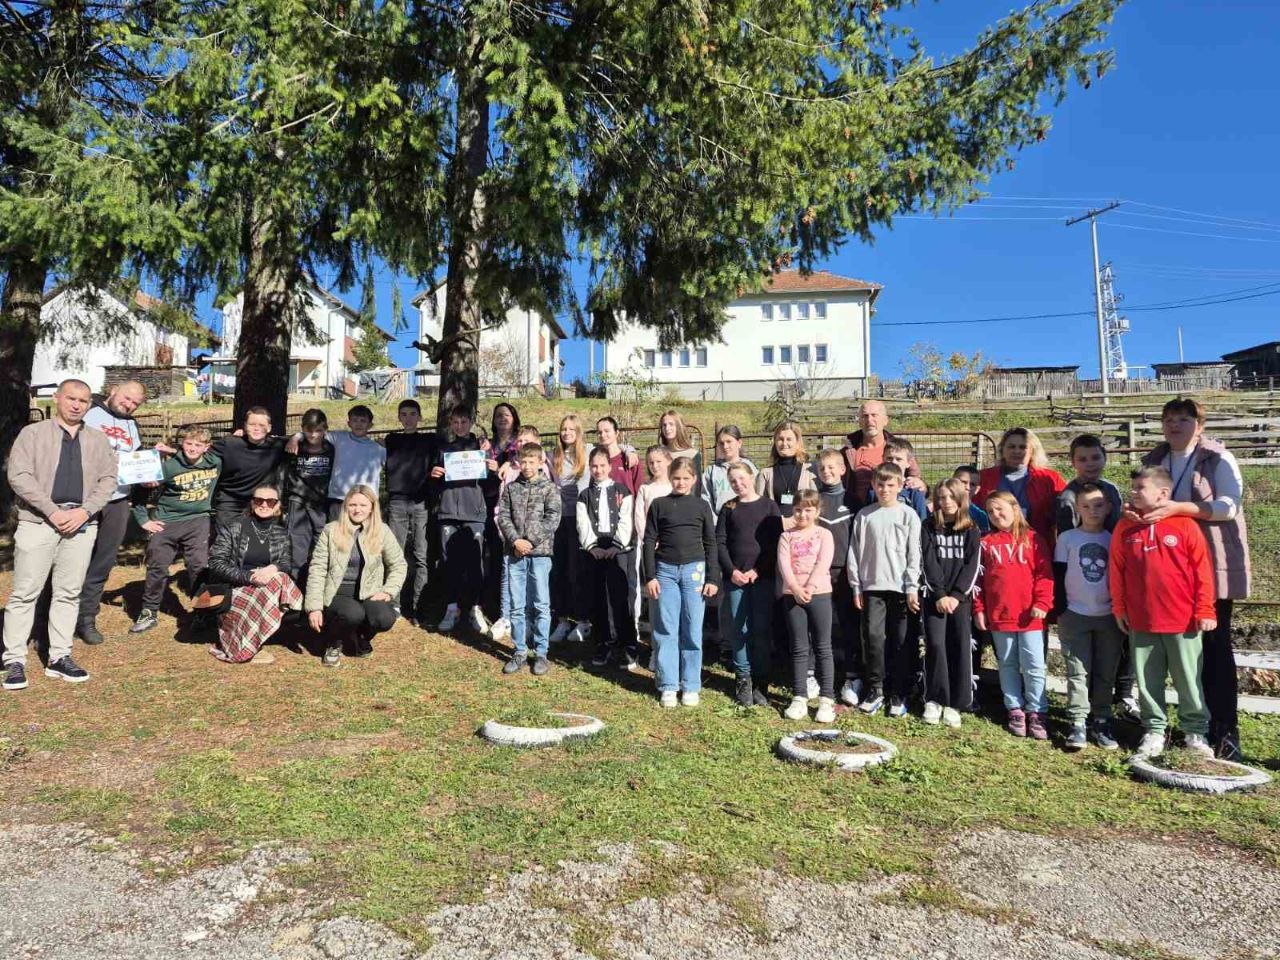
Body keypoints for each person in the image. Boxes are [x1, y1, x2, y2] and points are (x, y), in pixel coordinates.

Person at [1139, 397, 1250, 761]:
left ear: (1199, 426)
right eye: (1169, 419)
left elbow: (1229, 505)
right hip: (1165, 570)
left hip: (1209, 565)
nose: (1174, 425)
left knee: (1214, 647)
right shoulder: (1154, 460)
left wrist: (1180, 509)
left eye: (1184, 420)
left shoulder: (1218, 458)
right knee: (1173, 650)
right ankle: (1183, 727)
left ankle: (1224, 730)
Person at [3, 379, 118, 691]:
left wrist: (85, 512)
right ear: (57, 398)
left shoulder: (97, 439)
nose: (77, 405)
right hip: (39, 521)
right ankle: (14, 660)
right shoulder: (33, 434)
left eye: (83, 401)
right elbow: (19, 475)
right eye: (71, 398)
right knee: (25, 593)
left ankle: (59, 656)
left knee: (68, 592)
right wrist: (52, 511)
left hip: (81, 525)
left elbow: (109, 479)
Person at [1112, 466, 1217, 759]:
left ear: (1163, 493)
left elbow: (1202, 571)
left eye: (1140, 488)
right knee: (1148, 681)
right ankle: (1154, 730)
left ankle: (1195, 733)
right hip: (1141, 619)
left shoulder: (1185, 525)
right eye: (1133, 487)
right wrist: (1119, 607)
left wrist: (1205, 609)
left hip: (1183, 620)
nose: (1133, 492)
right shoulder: (1125, 526)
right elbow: (1116, 570)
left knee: (1188, 679)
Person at [973, 491, 1054, 740]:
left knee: (1033, 665)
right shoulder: (986, 542)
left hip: (1030, 616)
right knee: (1007, 663)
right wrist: (979, 609)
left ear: (1015, 508)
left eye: (1000, 509)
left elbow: (1044, 575)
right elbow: (978, 581)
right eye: (990, 511)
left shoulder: (1034, 539)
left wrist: (1042, 602)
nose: (996, 515)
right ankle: (1015, 708)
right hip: (1000, 615)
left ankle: (1037, 710)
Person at [129, 425, 222, 634]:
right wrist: (143, 520)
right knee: (157, 566)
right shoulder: (169, 467)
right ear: (182, 444)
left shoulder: (215, 463)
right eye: (188, 443)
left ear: (207, 447)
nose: (192, 448)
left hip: (198, 520)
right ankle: (149, 611)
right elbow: (140, 491)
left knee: (198, 566)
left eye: (198, 445)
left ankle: (202, 613)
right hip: (167, 522)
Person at [643, 456, 720, 707]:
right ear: (670, 478)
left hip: (694, 572)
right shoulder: (659, 505)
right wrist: (650, 576)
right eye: (676, 478)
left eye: (686, 478)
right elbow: (648, 541)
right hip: (665, 571)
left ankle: (690, 685)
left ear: (694, 480)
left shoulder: (701, 506)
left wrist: (712, 577)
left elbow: (711, 542)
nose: (681, 482)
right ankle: (668, 684)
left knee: (692, 628)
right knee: (666, 628)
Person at [1053, 483, 1124, 751]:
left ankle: (1102, 720)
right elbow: (1058, 574)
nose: (1092, 511)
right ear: (1077, 509)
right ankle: (1078, 721)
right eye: (1086, 506)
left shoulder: (1114, 538)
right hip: (1075, 614)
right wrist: (1061, 609)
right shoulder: (1067, 539)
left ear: (1108, 508)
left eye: (1098, 505)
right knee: (1077, 671)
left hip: (1109, 616)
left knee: (1106, 672)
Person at [76, 379, 147, 646]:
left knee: (103, 561)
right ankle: (50, 612)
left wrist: (147, 473)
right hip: (85, 498)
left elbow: (136, 459)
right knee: (71, 558)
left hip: (118, 500)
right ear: (114, 389)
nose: (129, 405)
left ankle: (86, 618)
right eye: (127, 398)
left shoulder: (132, 425)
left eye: (135, 403)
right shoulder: (89, 412)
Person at [848, 462, 922, 717]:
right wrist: (856, 585)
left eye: (890, 485)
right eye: (880, 484)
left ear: (900, 486)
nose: (885, 489)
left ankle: (899, 692)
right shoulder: (865, 515)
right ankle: (875, 688)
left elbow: (914, 554)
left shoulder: (908, 515)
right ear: (873, 485)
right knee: (874, 638)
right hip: (872, 587)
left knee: (900, 641)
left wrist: (912, 587)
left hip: (901, 589)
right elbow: (854, 552)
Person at [305, 485, 406, 668]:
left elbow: (398, 564)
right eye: (352, 505)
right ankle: (334, 642)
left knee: (385, 618)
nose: (357, 510)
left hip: (369, 592)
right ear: (345, 506)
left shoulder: (382, 531)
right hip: (337, 593)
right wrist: (314, 607)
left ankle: (359, 636)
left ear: (372, 508)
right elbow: (317, 569)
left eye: (363, 505)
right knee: (352, 614)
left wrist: (388, 591)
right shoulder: (331, 530)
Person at [206, 485, 300, 665]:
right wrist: (249, 576)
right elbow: (216, 563)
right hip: (236, 587)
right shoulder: (234, 528)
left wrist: (273, 568)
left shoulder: (281, 533)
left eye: (270, 501)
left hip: (268, 586)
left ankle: (253, 639)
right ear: (252, 503)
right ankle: (243, 647)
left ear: (277, 505)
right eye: (259, 500)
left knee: (279, 577)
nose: (264, 505)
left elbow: (286, 564)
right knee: (277, 582)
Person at [716, 461, 781, 707]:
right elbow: (720, 542)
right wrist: (732, 571)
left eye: (741, 478)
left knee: (761, 629)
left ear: (752, 477)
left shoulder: (769, 506)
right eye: (733, 481)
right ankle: (743, 677)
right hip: (735, 579)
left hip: (762, 578)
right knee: (739, 629)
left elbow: (775, 543)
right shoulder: (728, 508)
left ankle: (761, 680)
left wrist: (758, 570)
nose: (738, 484)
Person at [920, 478, 981, 728]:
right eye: (941, 497)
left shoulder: (971, 528)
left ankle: (956, 702)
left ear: (960, 499)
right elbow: (927, 561)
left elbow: (972, 565)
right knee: (935, 644)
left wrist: (956, 596)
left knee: (959, 645)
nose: (946, 502)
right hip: (935, 598)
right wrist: (939, 594)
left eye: (951, 497)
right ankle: (935, 698)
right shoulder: (928, 526)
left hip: (960, 601)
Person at [431, 405, 498, 634]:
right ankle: (452, 608)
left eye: (464, 422)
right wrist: (434, 476)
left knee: (476, 562)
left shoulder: (482, 448)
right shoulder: (443, 449)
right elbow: (435, 484)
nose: (459, 426)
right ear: (451, 424)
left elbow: (490, 486)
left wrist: (492, 470)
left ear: (471, 422)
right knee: (449, 562)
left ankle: (475, 608)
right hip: (448, 511)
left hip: (474, 512)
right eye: (455, 422)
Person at [496, 441, 561, 675]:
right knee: (517, 605)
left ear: (540, 462)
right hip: (515, 554)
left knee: (541, 603)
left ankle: (541, 652)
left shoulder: (549, 488)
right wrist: (515, 541)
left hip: (540, 554)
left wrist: (530, 542)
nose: (527, 466)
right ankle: (520, 650)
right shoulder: (512, 488)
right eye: (523, 461)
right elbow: (503, 516)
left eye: (531, 462)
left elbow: (552, 518)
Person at [577, 445, 639, 669]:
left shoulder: (623, 491)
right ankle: (603, 642)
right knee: (598, 597)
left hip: (618, 549)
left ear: (610, 466)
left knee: (621, 597)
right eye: (594, 466)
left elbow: (626, 520)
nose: (598, 470)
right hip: (594, 550)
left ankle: (627, 644)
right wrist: (592, 546)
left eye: (602, 465)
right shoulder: (584, 495)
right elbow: (583, 522)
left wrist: (616, 545)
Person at [778, 490, 837, 723]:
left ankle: (826, 699)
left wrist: (810, 587)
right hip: (792, 596)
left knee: (823, 647)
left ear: (817, 511)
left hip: (819, 593)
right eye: (798, 510)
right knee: (799, 647)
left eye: (808, 510)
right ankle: (799, 697)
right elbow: (784, 564)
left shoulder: (824, 534)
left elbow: (824, 562)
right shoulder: (786, 536)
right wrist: (795, 588)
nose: (802, 514)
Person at [489, 424, 547, 643]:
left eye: (527, 441)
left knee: (534, 581)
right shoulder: (510, 471)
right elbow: (501, 509)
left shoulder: (545, 470)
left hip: (536, 541)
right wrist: (509, 537)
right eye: (520, 441)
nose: (523, 444)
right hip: (512, 538)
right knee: (509, 578)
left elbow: (550, 509)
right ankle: (506, 617)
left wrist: (535, 539)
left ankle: (530, 620)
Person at [813, 449, 861, 706]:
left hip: (845, 573)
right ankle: (815, 675)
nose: (827, 472)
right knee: (819, 627)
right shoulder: (814, 500)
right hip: (818, 573)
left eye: (832, 467)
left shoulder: (854, 501)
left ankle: (852, 678)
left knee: (849, 625)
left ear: (843, 470)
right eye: (822, 468)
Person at [384, 400, 437, 625]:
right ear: (399, 417)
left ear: (420, 417)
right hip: (397, 502)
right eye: (403, 414)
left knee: (421, 555)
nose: (408, 418)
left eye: (412, 414)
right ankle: (393, 603)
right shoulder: (391, 440)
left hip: (420, 503)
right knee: (394, 554)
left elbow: (454, 445)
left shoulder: (429, 440)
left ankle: (417, 607)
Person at [975, 427, 1066, 548]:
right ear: (1002, 450)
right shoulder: (983, 477)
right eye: (1011, 447)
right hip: (993, 546)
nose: (1016, 451)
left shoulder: (1049, 478)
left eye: (1022, 447)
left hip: (1036, 546)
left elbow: (1064, 513)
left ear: (1032, 451)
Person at [210, 407, 287, 534]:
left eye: (261, 425)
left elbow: (309, 437)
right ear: (245, 426)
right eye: (252, 424)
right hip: (230, 502)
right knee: (227, 539)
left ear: (269, 428)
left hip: (259, 502)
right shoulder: (230, 443)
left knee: (259, 539)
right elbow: (200, 451)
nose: (257, 428)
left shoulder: (276, 446)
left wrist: (297, 437)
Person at [549, 414, 590, 643]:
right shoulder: (553, 455)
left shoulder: (588, 452)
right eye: (563, 429)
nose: (566, 433)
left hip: (580, 519)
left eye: (571, 429)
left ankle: (583, 620)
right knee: (559, 571)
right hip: (558, 520)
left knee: (578, 571)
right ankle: (562, 620)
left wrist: (629, 449)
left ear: (578, 432)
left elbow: (614, 448)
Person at [284, 409, 335, 583]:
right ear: (303, 428)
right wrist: (295, 437)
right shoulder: (294, 446)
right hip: (298, 500)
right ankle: (296, 585)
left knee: (322, 542)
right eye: (309, 430)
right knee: (297, 543)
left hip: (321, 502)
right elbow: (270, 440)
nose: (313, 435)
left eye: (318, 430)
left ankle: (318, 582)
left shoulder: (332, 448)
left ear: (325, 429)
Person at [841, 400, 924, 503]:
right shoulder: (848, 452)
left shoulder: (899, 450)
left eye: (874, 415)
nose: (869, 420)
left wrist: (922, 485)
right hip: (858, 510)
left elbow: (917, 481)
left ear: (885, 420)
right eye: (865, 416)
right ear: (860, 422)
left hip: (895, 508)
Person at [633, 446, 673, 637]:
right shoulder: (645, 488)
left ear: (668, 461)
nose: (655, 466)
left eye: (658, 461)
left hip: (673, 547)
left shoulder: (675, 486)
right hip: (652, 548)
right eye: (651, 462)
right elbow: (640, 518)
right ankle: (656, 644)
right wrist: (650, 540)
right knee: (655, 593)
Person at [323, 405, 386, 519]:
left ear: (370, 425)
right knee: (337, 529)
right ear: (349, 423)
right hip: (339, 498)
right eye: (355, 420)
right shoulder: (339, 438)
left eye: (363, 421)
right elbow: (314, 434)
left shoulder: (378, 449)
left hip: (365, 501)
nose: (358, 424)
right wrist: (296, 437)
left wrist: (386, 447)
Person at [1055, 434, 1124, 534]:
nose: (1090, 464)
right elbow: (1066, 537)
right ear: (1073, 462)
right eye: (1082, 459)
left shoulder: (1112, 489)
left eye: (1095, 458)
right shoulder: (1068, 498)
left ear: (1105, 458)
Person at [755, 420, 816, 518]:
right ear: (775, 442)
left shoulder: (809, 471)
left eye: (789, 439)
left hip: (802, 525)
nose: (784, 443)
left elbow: (816, 504)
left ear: (797, 442)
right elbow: (759, 507)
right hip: (775, 525)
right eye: (780, 439)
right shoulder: (765, 474)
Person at [702, 426, 756, 516]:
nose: (725, 446)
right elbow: (706, 500)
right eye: (721, 443)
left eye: (729, 441)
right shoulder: (711, 471)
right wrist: (714, 521)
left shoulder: (750, 468)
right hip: (720, 520)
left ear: (739, 443)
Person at [596, 416, 643, 495]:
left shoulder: (630, 458)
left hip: (627, 502)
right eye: (600, 432)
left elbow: (639, 487)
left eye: (607, 431)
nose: (603, 435)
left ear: (616, 433)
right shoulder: (597, 460)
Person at [657, 409, 702, 480]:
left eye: (671, 424)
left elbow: (697, 483)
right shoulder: (658, 453)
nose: (667, 428)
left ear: (679, 426)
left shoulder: (693, 454)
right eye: (664, 425)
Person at [953, 466, 991, 533]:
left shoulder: (980, 515)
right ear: (952, 482)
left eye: (972, 484)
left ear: (977, 490)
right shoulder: (938, 508)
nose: (968, 487)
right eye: (963, 482)